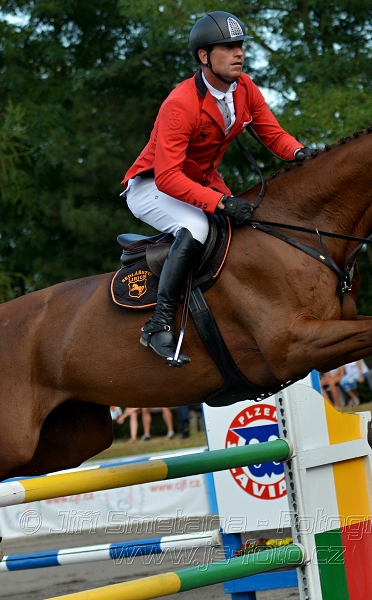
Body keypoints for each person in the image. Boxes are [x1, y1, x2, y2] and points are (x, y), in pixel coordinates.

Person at [122, 11, 313, 366]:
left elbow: (273, 134)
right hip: (152, 186)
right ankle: (158, 323)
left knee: (249, 227)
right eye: (227, 47)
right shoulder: (180, 104)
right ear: (204, 57)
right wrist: (220, 203)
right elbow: (167, 177)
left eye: (240, 45)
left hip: (198, 183)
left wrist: (302, 153)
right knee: (197, 227)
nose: (238, 53)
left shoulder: (245, 88)